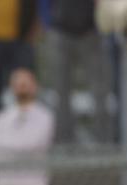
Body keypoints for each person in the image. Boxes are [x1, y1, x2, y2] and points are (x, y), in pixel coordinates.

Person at [47, 0, 109, 143]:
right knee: (61, 91)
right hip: (61, 30)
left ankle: (103, 140)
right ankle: (64, 140)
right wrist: (49, 22)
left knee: (99, 90)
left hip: (90, 32)